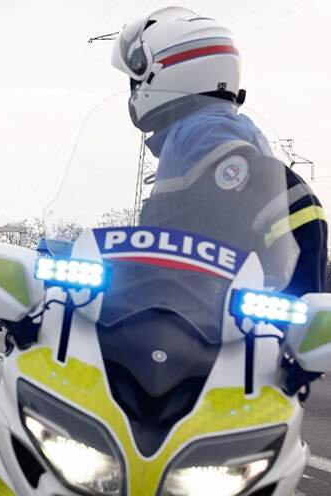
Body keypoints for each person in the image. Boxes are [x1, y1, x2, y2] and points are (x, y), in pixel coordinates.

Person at [111, 6, 327, 295]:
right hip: (213, 313)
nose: (134, 91)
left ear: (167, 71)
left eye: (136, 81)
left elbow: (289, 201)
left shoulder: (200, 131)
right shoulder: (222, 128)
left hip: (199, 316)